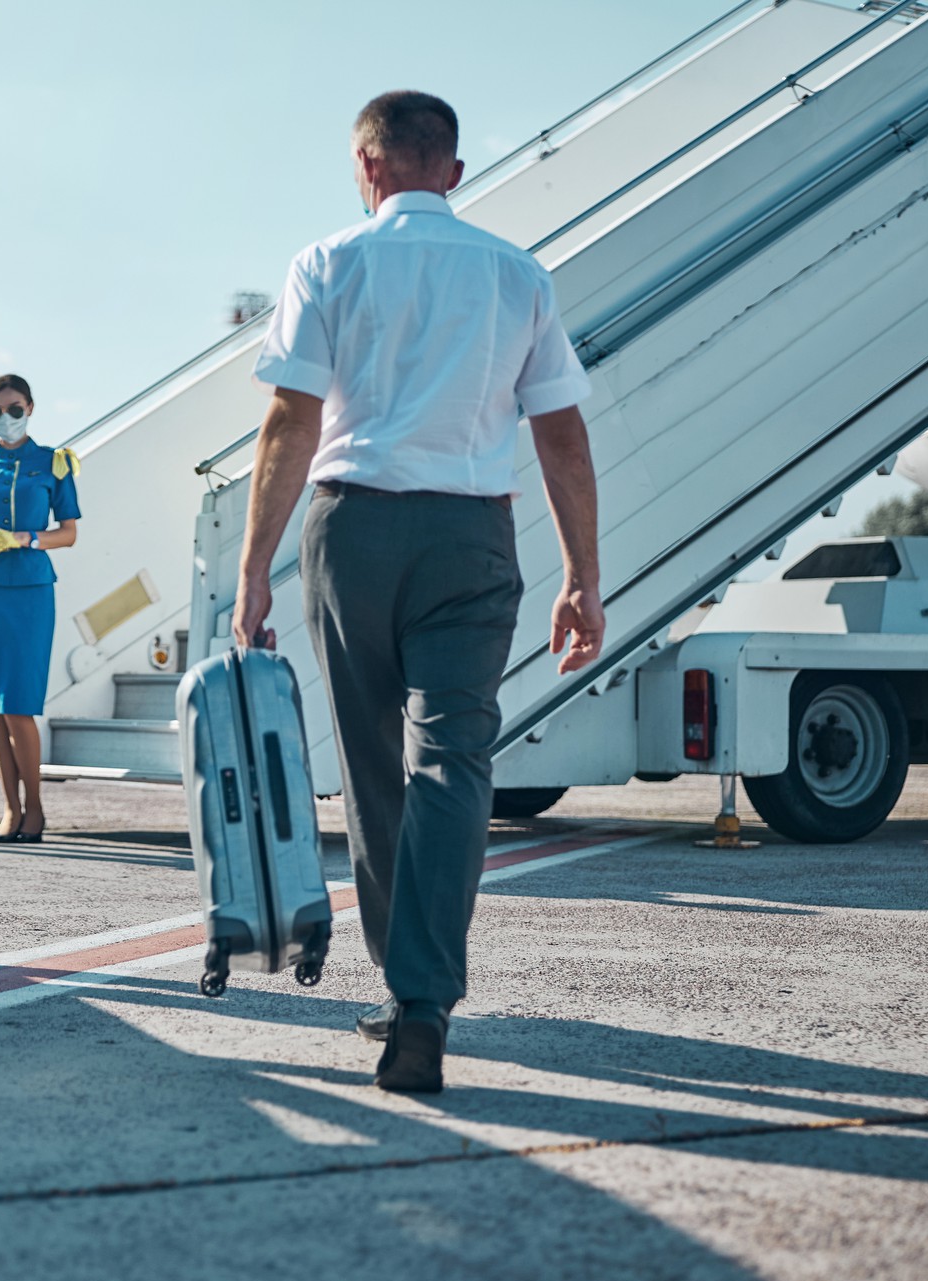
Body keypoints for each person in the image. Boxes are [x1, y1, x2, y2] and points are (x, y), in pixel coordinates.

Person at [232, 92, 604, 1092]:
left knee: (370, 769)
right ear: (451, 170)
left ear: (365, 168)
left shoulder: (326, 262)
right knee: (453, 761)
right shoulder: (515, 274)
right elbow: (559, 436)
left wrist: (251, 572)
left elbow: (287, 425)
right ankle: (422, 1000)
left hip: (351, 529)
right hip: (470, 538)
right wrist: (581, 578)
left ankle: (406, 994)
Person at [0, 374, 81, 844]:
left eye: (13, 408)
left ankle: (37, 808)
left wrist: (23, 538)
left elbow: (67, 532)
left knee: (21, 703)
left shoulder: (54, 463)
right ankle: (10, 808)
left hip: (30, 591)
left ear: (30, 407)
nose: (4, 418)